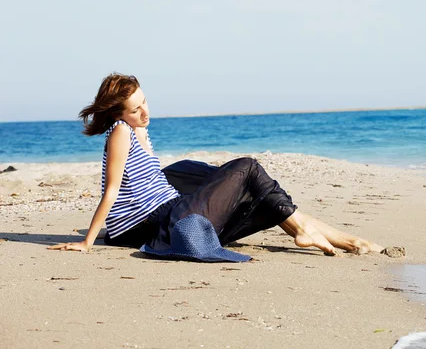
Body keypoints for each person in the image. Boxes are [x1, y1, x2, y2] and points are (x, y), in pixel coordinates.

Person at [48, 73, 386, 261]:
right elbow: (111, 190)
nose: (144, 112)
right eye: (135, 109)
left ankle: (343, 240)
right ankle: (306, 232)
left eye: (144, 101)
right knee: (248, 167)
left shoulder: (139, 130)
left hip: (161, 216)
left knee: (250, 191)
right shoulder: (121, 132)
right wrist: (89, 241)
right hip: (157, 222)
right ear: (118, 113)